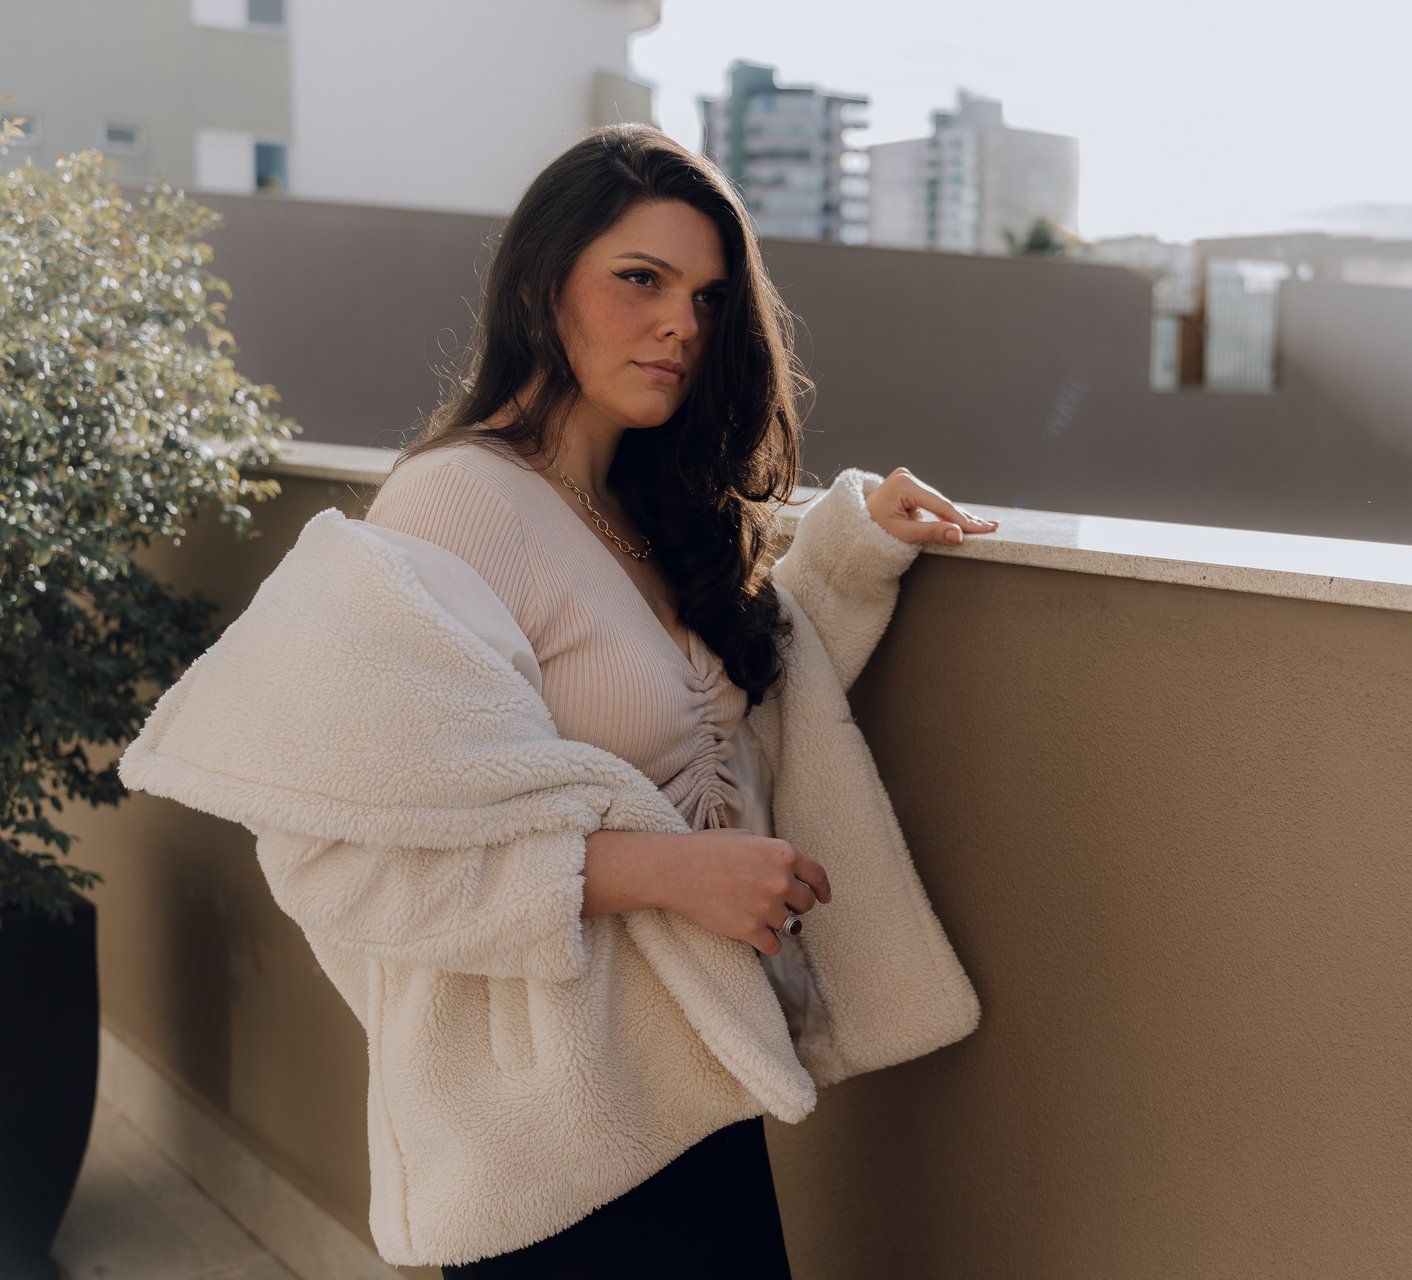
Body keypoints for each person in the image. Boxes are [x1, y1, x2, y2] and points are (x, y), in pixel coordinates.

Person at [116, 123, 993, 1276]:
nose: (683, 321)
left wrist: (856, 546)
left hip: (691, 1096)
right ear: (542, 287)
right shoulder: (454, 506)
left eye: (709, 296)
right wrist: (664, 869)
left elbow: (713, 716)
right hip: (549, 1157)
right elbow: (334, 854)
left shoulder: (638, 510)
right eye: (642, 280)